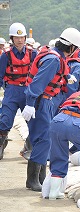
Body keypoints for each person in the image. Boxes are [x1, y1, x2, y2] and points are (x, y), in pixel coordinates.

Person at [21, 27, 80, 191]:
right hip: (42, 102)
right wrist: (30, 102)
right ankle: (32, 179)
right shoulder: (53, 60)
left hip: (45, 101)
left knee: (43, 139)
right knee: (44, 139)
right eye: (75, 49)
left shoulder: (55, 56)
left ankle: (39, 177)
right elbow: (38, 83)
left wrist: (67, 76)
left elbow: (57, 73)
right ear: (70, 47)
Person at [0, 23, 37, 160]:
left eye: (22, 37)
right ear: (12, 38)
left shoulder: (33, 54)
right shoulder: (6, 56)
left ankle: (29, 147)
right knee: (5, 120)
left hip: (28, 91)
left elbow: (39, 73)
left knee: (34, 122)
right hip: (12, 90)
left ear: (25, 37)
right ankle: (1, 145)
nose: (20, 40)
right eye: (16, 37)